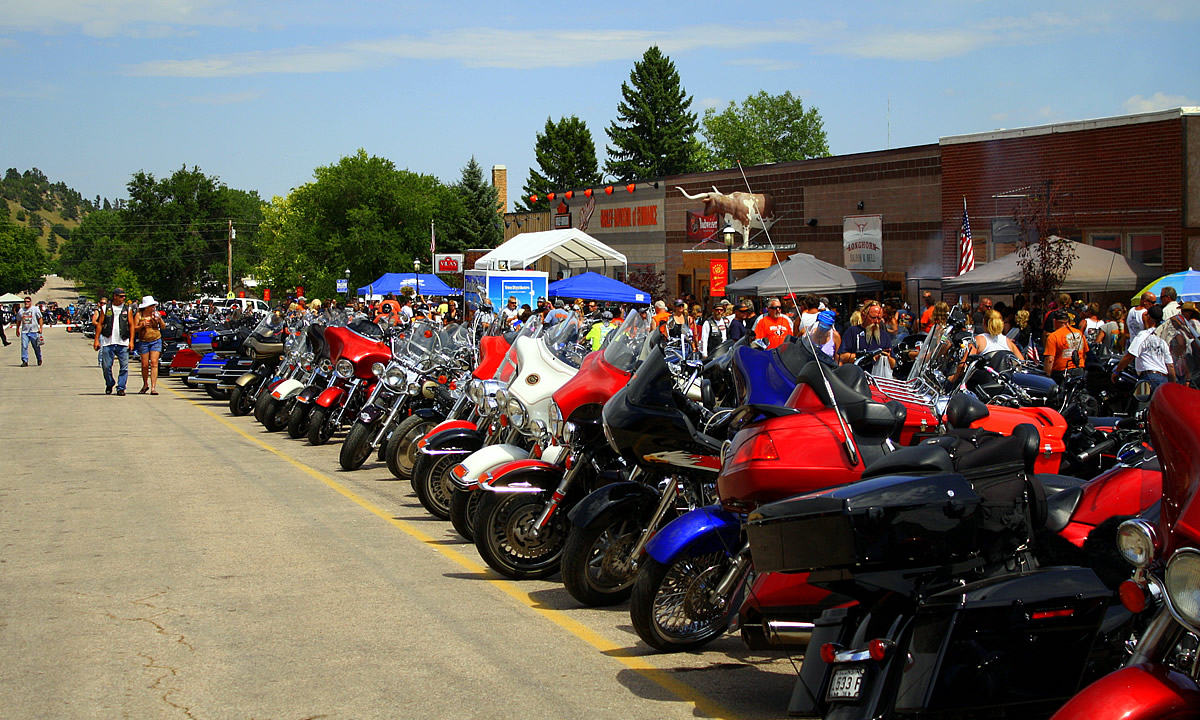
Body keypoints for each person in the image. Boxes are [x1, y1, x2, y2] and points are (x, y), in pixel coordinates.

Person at [1113, 305, 1173, 392]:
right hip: (1164, 380)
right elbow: (1170, 366)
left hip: (1148, 379)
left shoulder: (1143, 335)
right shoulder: (1161, 339)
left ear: (1148, 317)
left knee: (1140, 404)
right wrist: (1173, 383)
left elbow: (1130, 356)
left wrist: (1117, 371)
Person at [94, 288, 134, 395]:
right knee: (106, 366)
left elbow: (131, 325)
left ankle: (121, 388)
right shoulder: (105, 308)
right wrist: (96, 340)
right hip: (108, 341)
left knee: (124, 367)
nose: (123, 298)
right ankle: (110, 383)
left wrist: (131, 341)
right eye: (121, 296)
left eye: (124, 296)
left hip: (123, 341)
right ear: (115, 296)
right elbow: (100, 324)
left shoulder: (127, 309)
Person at [838, 301, 895, 377]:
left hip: (877, 380)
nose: (876, 322)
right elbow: (843, 356)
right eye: (873, 318)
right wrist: (868, 356)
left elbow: (893, 364)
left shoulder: (884, 336)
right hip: (856, 377)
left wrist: (886, 358)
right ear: (863, 316)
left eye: (879, 318)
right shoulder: (852, 331)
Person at [1043, 309, 1088, 383]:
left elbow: (1050, 360)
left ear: (1055, 321)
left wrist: (1046, 377)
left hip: (1061, 373)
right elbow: (1084, 355)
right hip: (1079, 371)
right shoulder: (1079, 334)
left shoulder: (1053, 336)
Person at [134, 296, 165, 394]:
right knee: (144, 364)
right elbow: (134, 328)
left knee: (154, 363)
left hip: (156, 339)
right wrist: (142, 325)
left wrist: (159, 320)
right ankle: (145, 384)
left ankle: (153, 387)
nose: (153, 307)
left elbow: (163, 327)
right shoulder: (139, 315)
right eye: (151, 306)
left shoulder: (156, 314)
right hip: (144, 341)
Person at [16, 296, 43, 367]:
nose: (26, 303)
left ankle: (39, 358)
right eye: (25, 302)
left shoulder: (35, 309)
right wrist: (17, 329)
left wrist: (40, 328)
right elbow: (18, 321)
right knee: (24, 346)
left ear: (30, 302)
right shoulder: (21, 311)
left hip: (34, 331)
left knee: (36, 347)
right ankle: (25, 361)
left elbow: (40, 318)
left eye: (28, 301)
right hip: (25, 332)